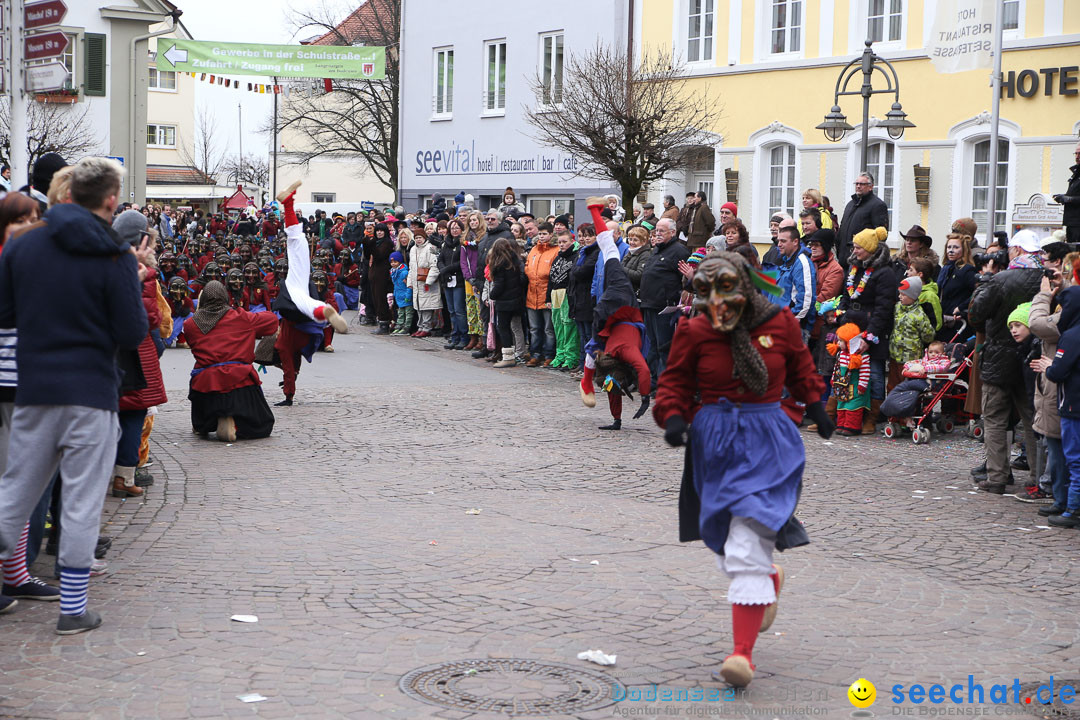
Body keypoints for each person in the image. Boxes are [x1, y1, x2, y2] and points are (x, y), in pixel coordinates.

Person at [653, 251, 832, 688]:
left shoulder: (780, 321)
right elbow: (674, 381)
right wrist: (673, 415)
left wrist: (816, 406)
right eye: (706, 293)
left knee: (746, 545)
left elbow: (801, 367)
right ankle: (768, 578)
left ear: (745, 285)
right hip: (715, 441)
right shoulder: (694, 329)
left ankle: (741, 655)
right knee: (727, 542)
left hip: (768, 437)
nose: (718, 303)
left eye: (726, 290)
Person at [0, 157, 148, 634]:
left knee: (15, 492)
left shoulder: (24, 245)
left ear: (65, 195)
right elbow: (130, 331)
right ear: (110, 201)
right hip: (91, 392)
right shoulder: (116, 257)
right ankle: (72, 609)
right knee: (81, 502)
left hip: (36, 387)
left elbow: (4, 313)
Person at [968, 229, 1043, 494]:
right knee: (1033, 419)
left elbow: (976, 314)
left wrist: (986, 279)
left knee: (996, 418)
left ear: (1018, 251)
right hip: (1033, 356)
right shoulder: (1046, 278)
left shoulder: (1001, 279)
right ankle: (1038, 479)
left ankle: (997, 476)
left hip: (999, 354)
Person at [577, 199, 652, 430]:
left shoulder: (612, 352)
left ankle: (611, 412)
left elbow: (629, 375)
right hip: (621, 304)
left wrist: (641, 399)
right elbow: (643, 370)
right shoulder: (621, 351)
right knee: (609, 249)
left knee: (609, 250)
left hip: (613, 309)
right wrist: (645, 397)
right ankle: (588, 384)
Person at [184, 280, 277, 441]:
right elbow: (272, 321)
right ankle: (235, 423)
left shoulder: (190, 324)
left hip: (206, 384)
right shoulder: (241, 317)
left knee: (201, 423)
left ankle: (205, 423)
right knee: (262, 425)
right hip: (240, 380)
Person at [837, 227, 897, 434]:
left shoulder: (885, 273)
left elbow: (883, 309)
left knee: (874, 374)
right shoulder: (854, 267)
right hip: (851, 326)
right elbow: (846, 294)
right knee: (848, 371)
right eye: (854, 246)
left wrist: (869, 337)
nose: (854, 250)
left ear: (870, 249)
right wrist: (841, 315)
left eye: (858, 247)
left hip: (872, 329)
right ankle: (849, 414)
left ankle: (872, 417)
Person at [1029, 273, 1068, 511]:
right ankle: (1062, 499)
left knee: (1058, 446)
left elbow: (1037, 324)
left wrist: (1044, 295)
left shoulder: (1071, 314)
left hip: (1059, 385)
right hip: (1054, 382)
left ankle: (1064, 500)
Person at [639, 217, 691, 386]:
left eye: (662, 231)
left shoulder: (679, 251)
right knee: (653, 345)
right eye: (656, 231)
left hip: (665, 306)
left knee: (664, 347)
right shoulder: (656, 250)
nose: (658, 234)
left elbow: (686, 280)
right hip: (649, 304)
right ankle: (652, 382)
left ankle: (664, 384)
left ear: (673, 232)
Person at [1044, 285, 1080, 527]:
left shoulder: (1072, 335)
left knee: (1074, 458)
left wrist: (1048, 366)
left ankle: (1073, 509)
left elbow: (1057, 372)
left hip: (1074, 405)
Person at [888, 277, 935, 391]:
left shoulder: (919, 315)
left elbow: (928, 335)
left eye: (903, 295)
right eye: (899, 294)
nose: (900, 297)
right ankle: (891, 407)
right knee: (892, 385)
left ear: (913, 296)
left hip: (911, 359)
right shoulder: (897, 307)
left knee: (908, 387)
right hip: (895, 355)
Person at [771, 226, 817, 341]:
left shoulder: (802, 262)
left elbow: (806, 299)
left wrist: (790, 321)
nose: (779, 244)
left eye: (783, 241)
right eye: (778, 241)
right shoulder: (784, 260)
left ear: (795, 242)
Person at [524, 222, 560, 366]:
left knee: (548, 328)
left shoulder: (555, 250)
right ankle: (535, 353)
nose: (542, 236)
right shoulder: (534, 250)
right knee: (534, 328)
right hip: (532, 293)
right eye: (540, 234)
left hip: (547, 294)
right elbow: (527, 267)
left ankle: (549, 354)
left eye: (545, 234)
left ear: (551, 234)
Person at [836, 172, 890, 267]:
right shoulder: (850, 204)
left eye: (862, 184)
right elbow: (842, 228)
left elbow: (881, 235)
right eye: (856, 184)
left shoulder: (878, 205)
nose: (858, 186)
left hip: (862, 260)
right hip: (844, 258)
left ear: (870, 186)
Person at [937, 220, 978, 342]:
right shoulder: (946, 269)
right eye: (949, 247)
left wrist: (961, 307)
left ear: (963, 250)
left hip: (958, 324)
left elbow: (979, 291)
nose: (951, 250)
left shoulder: (967, 270)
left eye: (955, 247)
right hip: (944, 320)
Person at [488, 238, 526, 368]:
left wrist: (492, 295)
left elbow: (499, 285)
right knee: (516, 327)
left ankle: (508, 356)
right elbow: (522, 279)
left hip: (505, 301)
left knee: (503, 327)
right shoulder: (515, 260)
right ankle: (518, 352)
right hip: (517, 299)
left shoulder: (499, 264)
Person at [829, 322, 873, 435]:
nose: (838, 343)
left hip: (855, 386)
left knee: (854, 406)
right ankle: (841, 424)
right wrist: (834, 379)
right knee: (842, 404)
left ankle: (851, 426)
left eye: (840, 341)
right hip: (842, 385)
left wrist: (862, 386)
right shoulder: (841, 354)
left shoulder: (862, 355)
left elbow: (865, 372)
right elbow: (837, 367)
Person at [548, 230, 580, 370]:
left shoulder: (575, 256)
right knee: (558, 326)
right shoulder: (557, 258)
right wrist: (548, 296)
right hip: (555, 294)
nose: (561, 245)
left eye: (564, 242)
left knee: (568, 326)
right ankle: (560, 355)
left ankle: (570, 357)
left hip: (567, 294)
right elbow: (551, 279)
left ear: (571, 242)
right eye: (559, 242)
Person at [407, 230, 442, 337]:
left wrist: (429, 281)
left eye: (420, 237)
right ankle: (421, 326)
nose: (418, 240)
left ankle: (426, 327)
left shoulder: (431, 248)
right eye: (416, 238)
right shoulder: (413, 249)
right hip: (416, 282)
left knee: (427, 306)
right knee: (418, 306)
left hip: (426, 282)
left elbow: (434, 266)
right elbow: (411, 268)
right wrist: (410, 281)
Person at [1052, 140, 1080, 244]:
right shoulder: (1076, 173)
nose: (1077, 156)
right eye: (1076, 153)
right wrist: (1063, 197)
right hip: (1072, 222)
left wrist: (1068, 199)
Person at [390, 252, 414, 335]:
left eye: (395, 262)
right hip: (399, 296)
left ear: (399, 262)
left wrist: (408, 295)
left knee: (408, 313)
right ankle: (399, 325)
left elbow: (409, 286)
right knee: (400, 313)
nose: (393, 264)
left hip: (406, 296)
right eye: (392, 262)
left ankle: (406, 327)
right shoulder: (393, 272)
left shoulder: (404, 272)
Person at [622, 226, 651, 294]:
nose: (631, 242)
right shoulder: (630, 252)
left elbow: (639, 275)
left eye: (635, 240)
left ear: (643, 241)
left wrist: (621, 269)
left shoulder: (645, 255)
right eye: (630, 239)